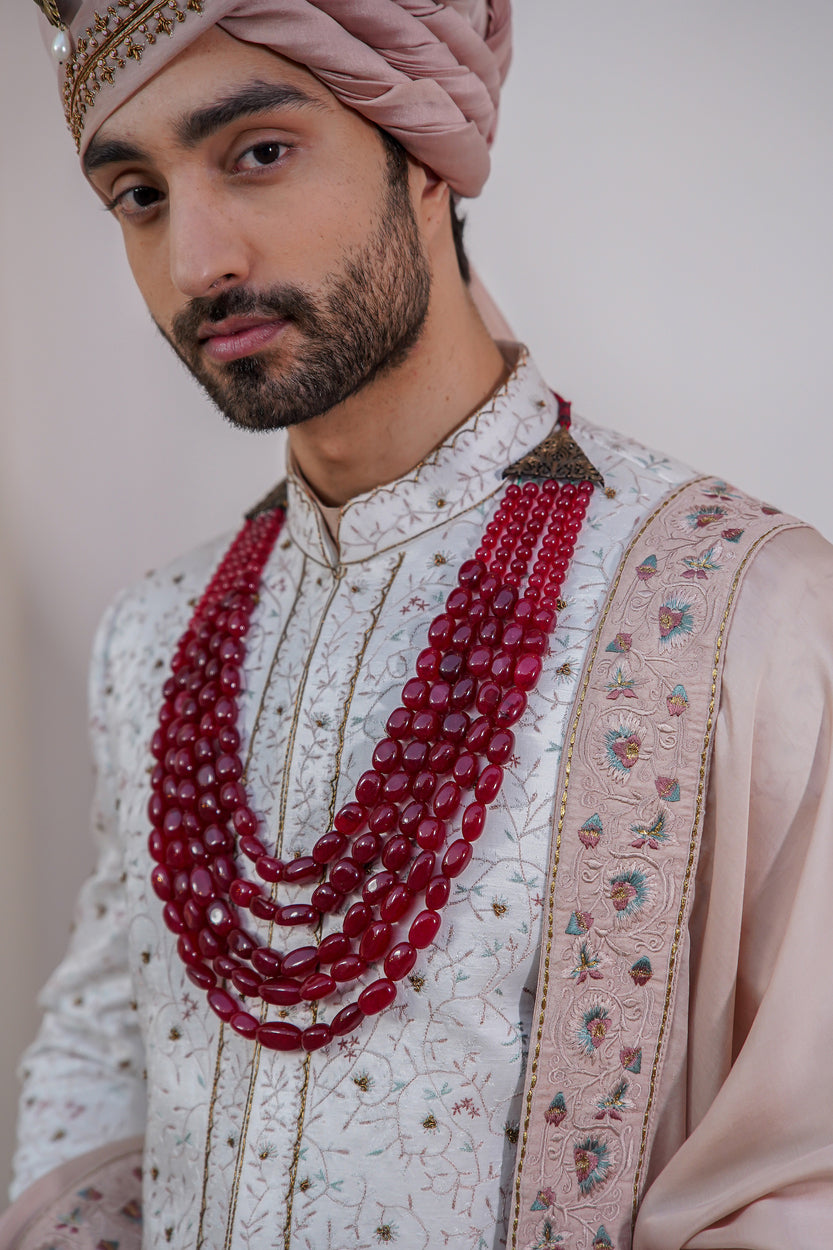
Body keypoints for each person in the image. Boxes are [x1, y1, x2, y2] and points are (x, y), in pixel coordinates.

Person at [5, 2, 833, 1248]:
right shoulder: (157, 638)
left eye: (257, 153)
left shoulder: (736, 612)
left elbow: (803, 1174)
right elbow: (105, 1048)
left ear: (426, 152)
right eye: (137, 192)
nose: (196, 261)